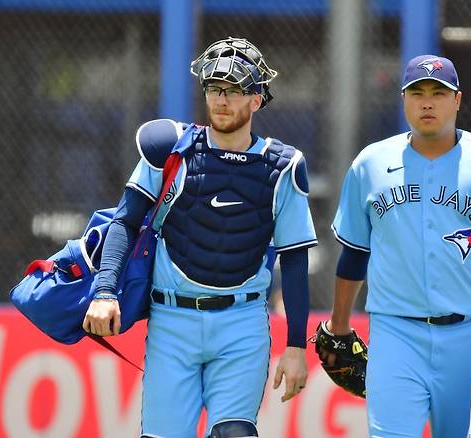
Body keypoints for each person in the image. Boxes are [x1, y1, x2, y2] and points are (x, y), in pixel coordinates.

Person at [83, 37, 317, 438]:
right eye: (213, 89)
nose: (221, 100)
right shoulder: (169, 148)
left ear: (257, 99)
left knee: (235, 433)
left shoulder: (283, 167)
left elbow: (294, 258)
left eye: (233, 90)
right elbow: (124, 222)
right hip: (172, 320)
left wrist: (296, 346)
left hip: (242, 322)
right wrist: (105, 293)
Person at [321, 54, 471, 437]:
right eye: (418, 92)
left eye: (439, 93)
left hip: (469, 335)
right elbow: (355, 254)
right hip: (395, 334)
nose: (428, 102)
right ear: (404, 100)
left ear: (457, 100)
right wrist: (339, 323)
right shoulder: (370, 164)